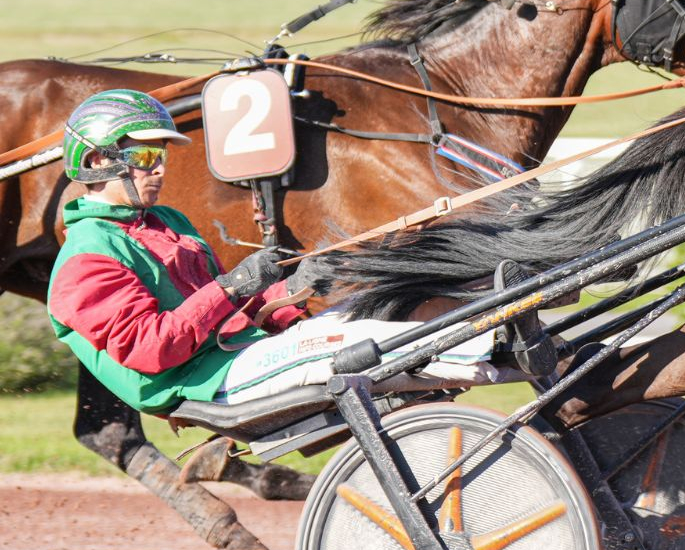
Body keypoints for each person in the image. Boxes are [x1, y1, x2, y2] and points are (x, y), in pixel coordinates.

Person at [46, 89, 497, 422]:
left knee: (374, 311)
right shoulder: (85, 258)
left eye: (160, 154)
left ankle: (498, 329)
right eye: (145, 154)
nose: (160, 168)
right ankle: (491, 351)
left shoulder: (167, 221)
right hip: (201, 383)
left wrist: (293, 290)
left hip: (241, 353)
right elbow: (153, 348)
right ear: (97, 160)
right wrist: (232, 286)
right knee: (354, 344)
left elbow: (236, 316)